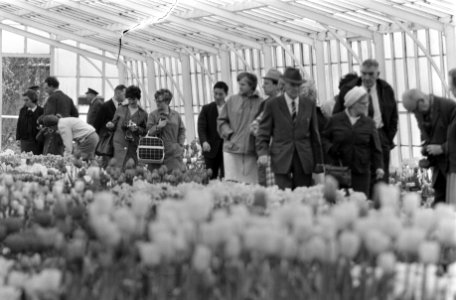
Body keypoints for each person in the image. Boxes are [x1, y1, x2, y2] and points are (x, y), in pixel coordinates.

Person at [256, 67, 324, 190]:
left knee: (304, 195)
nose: (296, 89)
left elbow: (315, 134)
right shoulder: (273, 104)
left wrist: (318, 161)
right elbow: (263, 132)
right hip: (281, 158)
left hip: (304, 159)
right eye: (292, 85)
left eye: (298, 85)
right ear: (284, 84)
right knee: (283, 195)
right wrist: (262, 153)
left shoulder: (309, 104)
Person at [333, 59, 398, 184]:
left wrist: (387, 139)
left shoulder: (386, 89)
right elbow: (337, 115)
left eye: (370, 74)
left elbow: (393, 117)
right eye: (363, 73)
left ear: (377, 74)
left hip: (380, 136)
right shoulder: (348, 89)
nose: (366, 77)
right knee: (359, 180)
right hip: (355, 137)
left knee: (380, 182)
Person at [322, 86, 384, 196]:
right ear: (353, 104)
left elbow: (376, 148)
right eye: (363, 103)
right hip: (339, 171)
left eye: (367, 103)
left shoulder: (369, 123)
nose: (366, 106)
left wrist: (379, 167)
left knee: (360, 202)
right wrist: (330, 149)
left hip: (361, 171)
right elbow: (324, 138)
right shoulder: (335, 120)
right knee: (341, 202)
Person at [402, 88, 456, 205]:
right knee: (439, 205)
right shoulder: (421, 113)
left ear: (422, 101)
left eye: (415, 110)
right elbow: (425, 135)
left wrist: (442, 148)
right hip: (439, 168)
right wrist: (426, 150)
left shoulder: (448, 107)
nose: (415, 114)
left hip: (453, 165)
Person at [218, 72, 262, 184]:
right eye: (239, 84)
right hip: (232, 148)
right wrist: (229, 133)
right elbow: (221, 120)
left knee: (251, 184)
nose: (240, 87)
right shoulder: (232, 100)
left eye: (243, 84)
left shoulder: (261, 102)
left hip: (251, 150)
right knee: (232, 183)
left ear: (252, 86)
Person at [251, 68, 282, 187]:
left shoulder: (274, 103)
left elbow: (254, 126)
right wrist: (266, 135)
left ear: (277, 85)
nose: (263, 86)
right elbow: (254, 126)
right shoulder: (267, 103)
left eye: (266, 83)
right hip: (269, 151)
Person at [106, 85, 148, 169]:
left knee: (130, 169)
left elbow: (145, 131)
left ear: (138, 98)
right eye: (129, 99)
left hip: (132, 146)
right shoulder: (120, 109)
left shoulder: (143, 114)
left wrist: (137, 129)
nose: (131, 101)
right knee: (118, 168)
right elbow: (114, 123)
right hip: (119, 144)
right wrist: (110, 125)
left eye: (134, 99)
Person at [147, 89, 186, 171]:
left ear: (167, 101)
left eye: (159, 101)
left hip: (173, 154)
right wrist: (158, 127)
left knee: (174, 178)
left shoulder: (176, 115)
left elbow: (182, 130)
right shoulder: (153, 115)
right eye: (156, 100)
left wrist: (180, 145)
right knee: (156, 179)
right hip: (156, 153)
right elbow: (149, 132)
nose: (157, 103)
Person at [197, 82, 228, 179]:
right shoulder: (206, 109)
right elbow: (201, 127)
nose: (217, 96)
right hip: (210, 149)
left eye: (220, 94)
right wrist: (204, 141)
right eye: (215, 93)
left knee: (227, 177)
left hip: (227, 149)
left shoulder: (231, 109)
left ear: (226, 94)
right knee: (210, 178)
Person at [93, 85, 126, 167]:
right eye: (124, 94)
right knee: (107, 164)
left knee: (117, 165)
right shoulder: (105, 106)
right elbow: (97, 124)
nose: (126, 97)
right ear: (118, 93)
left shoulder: (124, 107)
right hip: (107, 142)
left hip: (119, 142)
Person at [16, 90, 44, 154]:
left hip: (37, 143)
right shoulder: (22, 110)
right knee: (24, 161)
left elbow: (44, 126)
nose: (25, 102)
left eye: (27, 100)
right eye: (24, 100)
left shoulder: (41, 111)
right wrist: (18, 138)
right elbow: (19, 124)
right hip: (24, 142)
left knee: (36, 162)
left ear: (33, 99)